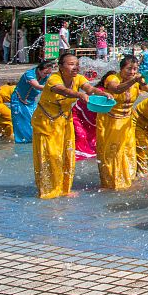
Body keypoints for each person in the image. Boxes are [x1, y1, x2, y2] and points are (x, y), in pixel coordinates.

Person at [33, 52, 96, 199]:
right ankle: (48, 192)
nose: (76, 67)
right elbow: (62, 90)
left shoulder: (78, 78)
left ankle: (64, 189)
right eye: (71, 64)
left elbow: (90, 88)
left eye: (77, 64)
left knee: (67, 155)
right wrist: (79, 94)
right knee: (51, 156)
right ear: (61, 67)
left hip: (65, 122)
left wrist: (103, 94)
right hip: (46, 122)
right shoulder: (54, 79)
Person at [96, 54, 148, 191]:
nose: (132, 72)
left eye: (135, 69)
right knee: (113, 152)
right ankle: (111, 183)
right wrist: (134, 80)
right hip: (110, 121)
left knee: (128, 151)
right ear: (121, 69)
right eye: (129, 69)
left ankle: (127, 181)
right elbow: (117, 89)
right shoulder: (112, 78)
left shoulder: (137, 80)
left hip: (127, 122)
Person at [8, 60, 54, 144]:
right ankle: (23, 143)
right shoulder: (29, 74)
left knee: (35, 121)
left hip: (31, 102)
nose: (46, 75)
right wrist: (54, 88)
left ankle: (33, 141)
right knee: (21, 123)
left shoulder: (46, 76)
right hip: (18, 100)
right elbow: (37, 86)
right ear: (39, 69)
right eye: (45, 73)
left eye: (48, 73)